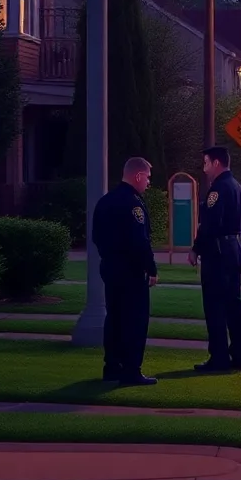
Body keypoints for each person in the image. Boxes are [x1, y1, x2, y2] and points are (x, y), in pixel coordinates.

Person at [92, 156, 158, 386]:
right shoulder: (133, 204)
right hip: (131, 271)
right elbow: (140, 242)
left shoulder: (105, 201)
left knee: (115, 318)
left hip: (110, 268)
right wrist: (151, 269)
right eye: (147, 177)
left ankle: (112, 366)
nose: (149, 182)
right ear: (138, 176)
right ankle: (131, 370)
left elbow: (96, 237)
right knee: (135, 321)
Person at [189, 146, 241, 372]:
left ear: (216, 163)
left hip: (217, 251)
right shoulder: (237, 187)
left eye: (206, 163)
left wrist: (196, 248)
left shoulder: (218, 190)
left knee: (214, 305)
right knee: (234, 303)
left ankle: (219, 358)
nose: (204, 168)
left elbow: (210, 225)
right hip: (233, 247)